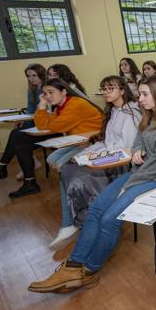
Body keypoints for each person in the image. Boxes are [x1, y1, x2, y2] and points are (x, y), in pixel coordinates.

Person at [28, 75, 156, 293]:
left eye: (144, 94)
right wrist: (139, 148)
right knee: (95, 210)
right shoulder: (149, 115)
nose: (139, 99)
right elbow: (140, 138)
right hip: (140, 173)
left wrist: (130, 183)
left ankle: (89, 271)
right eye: (139, 93)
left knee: (110, 219)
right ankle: (74, 265)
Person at [49, 76, 141, 250]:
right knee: (69, 167)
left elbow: (125, 149)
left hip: (119, 164)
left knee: (76, 176)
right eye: (103, 89)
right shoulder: (113, 111)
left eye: (110, 89)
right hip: (108, 157)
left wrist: (96, 157)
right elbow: (105, 142)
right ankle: (74, 222)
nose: (105, 92)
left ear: (122, 90)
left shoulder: (131, 113)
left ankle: (82, 222)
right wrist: (85, 154)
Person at [0, 78, 103, 198]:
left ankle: (75, 192)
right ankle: (23, 178)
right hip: (77, 140)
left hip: (92, 142)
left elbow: (55, 127)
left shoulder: (76, 104)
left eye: (51, 92)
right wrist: (42, 105)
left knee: (57, 162)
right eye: (45, 93)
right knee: (46, 156)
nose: (47, 96)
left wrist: (45, 112)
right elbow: (42, 125)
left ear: (64, 92)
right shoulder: (61, 106)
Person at [22, 63, 46, 129]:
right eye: (28, 76)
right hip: (33, 119)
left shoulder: (48, 88)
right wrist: (23, 120)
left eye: (34, 75)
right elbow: (30, 108)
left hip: (45, 119)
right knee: (16, 131)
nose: (31, 78)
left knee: (19, 134)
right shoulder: (31, 90)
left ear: (42, 75)